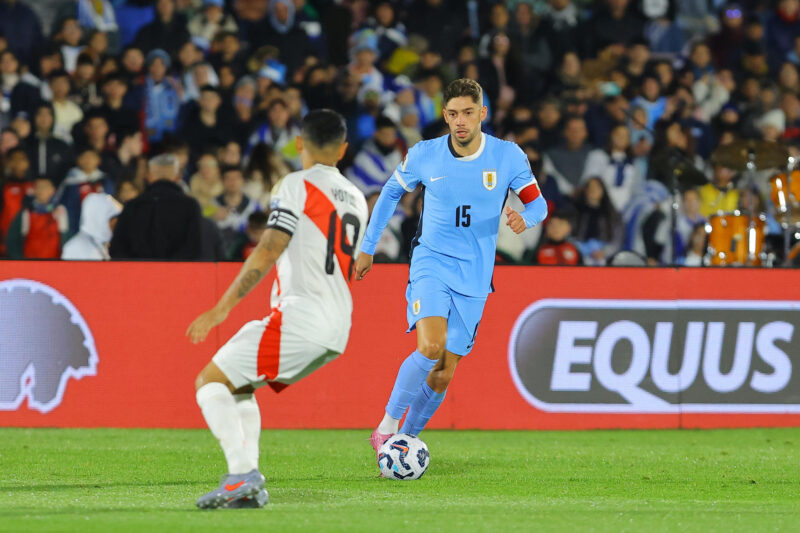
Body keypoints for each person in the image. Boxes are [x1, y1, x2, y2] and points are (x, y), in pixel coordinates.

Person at [185, 109, 368, 509]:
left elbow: (269, 247)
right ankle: (248, 483)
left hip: (302, 313)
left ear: (300, 143)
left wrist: (222, 307)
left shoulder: (295, 185)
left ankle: (240, 476)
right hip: (339, 323)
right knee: (240, 385)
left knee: (209, 383)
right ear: (343, 149)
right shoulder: (356, 197)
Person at [355, 79, 547, 457]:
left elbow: (538, 205)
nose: (461, 121)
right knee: (430, 346)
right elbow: (391, 192)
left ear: (482, 114)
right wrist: (367, 246)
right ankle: (386, 429)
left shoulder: (508, 156)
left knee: (443, 372)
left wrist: (526, 218)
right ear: (444, 115)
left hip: (475, 276)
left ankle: (406, 441)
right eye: (453, 114)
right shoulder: (425, 154)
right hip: (432, 261)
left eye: (468, 113)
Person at [109, 153, 203, 260]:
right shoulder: (190, 206)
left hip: (138, 274)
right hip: (177, 275)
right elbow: (195, 251)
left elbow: (117, 250)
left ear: (149, 177)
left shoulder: (132, 206)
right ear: (178, 177)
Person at [61, 192, 121, 260]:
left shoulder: (108, 245)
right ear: (97, 218)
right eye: (112, 218)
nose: (117, 224)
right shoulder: (74, 248)